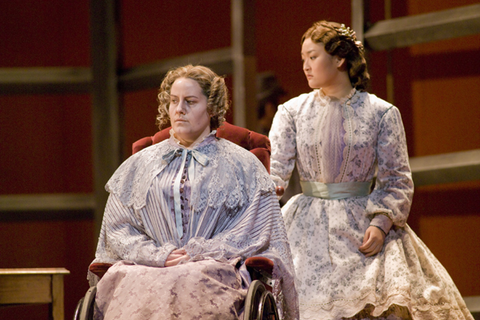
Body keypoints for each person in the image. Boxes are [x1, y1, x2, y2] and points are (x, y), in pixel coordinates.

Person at [268, 20, 473, 320]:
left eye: (313, 57)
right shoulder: (291, 112)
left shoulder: (381, 113)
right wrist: (264, 193)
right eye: (303, 59)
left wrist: (380, 223)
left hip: (361, 222)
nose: (306, 66)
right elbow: (275, 172)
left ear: (338, 59)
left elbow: (397, 179)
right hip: (307, 224)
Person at [89, 65, 299, 320]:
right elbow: (118, 226)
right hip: (148, 266)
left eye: (190, 102)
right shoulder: (139, 164)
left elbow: (256, 225)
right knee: (132, 281)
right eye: (173, 101)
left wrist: (200, 252)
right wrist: (158, 255)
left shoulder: (242, 164)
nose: (179, 109)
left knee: (192, 278)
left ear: (211, 107)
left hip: (213, 267)